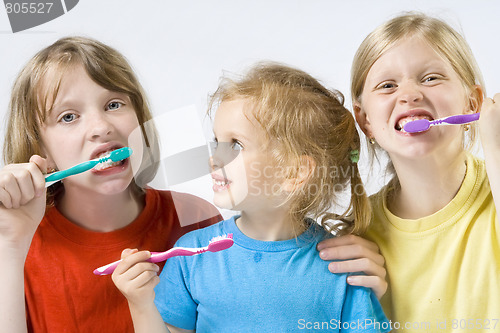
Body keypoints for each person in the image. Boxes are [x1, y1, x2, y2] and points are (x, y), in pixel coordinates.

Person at [112, 63, 391, 332]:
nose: (214, 158)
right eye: (217, 142)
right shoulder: (191, 255)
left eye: (235, 144)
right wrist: (141, 304)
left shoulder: (343, 268)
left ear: (293, 172)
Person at [0, 36, 222, 333]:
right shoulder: (20, 241)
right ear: (41, 150)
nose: (101, 127)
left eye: (114, 104)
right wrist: (11, 245)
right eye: (68, 117)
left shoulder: (195, 220)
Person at [351, 12, 500, 330]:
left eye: (431, 78)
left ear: (472, 103)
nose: (409, 94)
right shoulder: (359, 236)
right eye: (387, 85)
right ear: (365, 121)